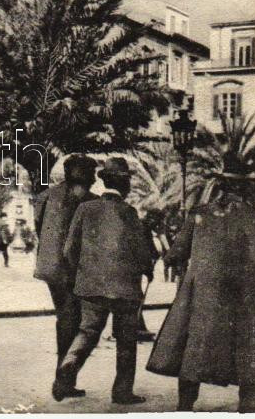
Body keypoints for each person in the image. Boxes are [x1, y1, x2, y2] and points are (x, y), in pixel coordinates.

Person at [146, 154, 255, 413]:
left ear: (222, 186)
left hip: (203, 292)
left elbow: (176, 254)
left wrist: (170, 256)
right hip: (244, 294)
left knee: (194, 348)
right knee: (248, 346)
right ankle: (250, 405)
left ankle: (185, 405)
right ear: (245, 187)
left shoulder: (199, 214)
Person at [53, 157, 154, 405]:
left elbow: (69, 250)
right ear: (125, 185)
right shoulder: (129, 213)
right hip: (125, 288)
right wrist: (147, 269)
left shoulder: (85, 209)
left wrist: (83, 273)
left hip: (91, 285)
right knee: (126, 340)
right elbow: (141, 251)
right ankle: (122, 392)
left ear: (104, 181)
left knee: (87, 332)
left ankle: (69, 364)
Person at [33, 154, 98, 398]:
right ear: (83, 175)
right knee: (74, 324)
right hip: (73, 271)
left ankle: (65, 380)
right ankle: (63, 382)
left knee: (66, 321)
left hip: (50, 268)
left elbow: (39, 226)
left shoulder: (46, 196)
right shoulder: (88, 200)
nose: (93, 179)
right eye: (91, 173)